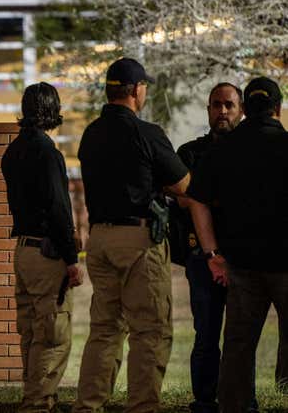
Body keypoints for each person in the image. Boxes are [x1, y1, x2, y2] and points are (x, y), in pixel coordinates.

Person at [75, 58, 190, 413]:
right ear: (137, 90)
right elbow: (184, 185)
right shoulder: (148, 133)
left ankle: (88, 406)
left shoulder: (90, 134)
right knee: (150, 332)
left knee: (105, 330)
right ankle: (142, 406)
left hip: (100, 240)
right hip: (138, 241)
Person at [187, 77, 288, 413]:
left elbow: (197, 200)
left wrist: (212, 253)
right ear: (277, 108)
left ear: (245, 108)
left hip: (241, 267)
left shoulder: (223, 149)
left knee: (238, 348)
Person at [176, 83, 258, 413]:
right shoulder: (190, 153)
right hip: (203, 260)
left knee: (242, 339)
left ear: (241, 110)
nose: (222, 111)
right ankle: (205, 401)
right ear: (208, 109)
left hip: (244, 260)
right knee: (206, 334)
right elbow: (181, 198)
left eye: (229, 105)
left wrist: (205, 198)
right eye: (216, 105)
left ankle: (243, 401)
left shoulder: (254, 152)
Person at [1, 82, 84, 413]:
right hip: (47, 252)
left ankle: (36, 396)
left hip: (22, 250)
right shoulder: (48, 153)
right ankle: (38, 403)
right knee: (53, 332)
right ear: (52, 109)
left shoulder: (13, 151)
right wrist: (72, 259)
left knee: (32, 332)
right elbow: (59, 209)